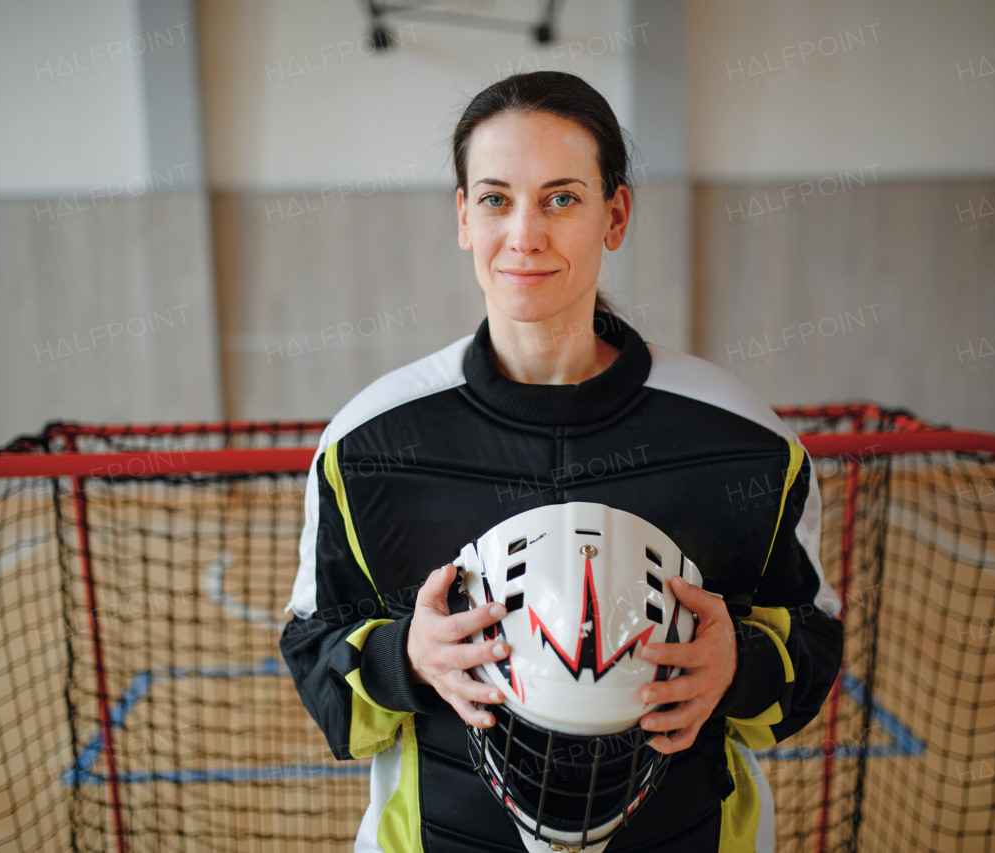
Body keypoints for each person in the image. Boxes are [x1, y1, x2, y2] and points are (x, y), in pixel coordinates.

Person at [281, 70, 843, 853]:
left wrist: (738, 664)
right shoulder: (370, 446)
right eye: (495, 198)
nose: (525, 235)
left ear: (615, 216)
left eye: (562, 198)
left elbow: (812, 640)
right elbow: (315, 655)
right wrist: (404, 654)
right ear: (462, 217)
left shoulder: (740, 440)